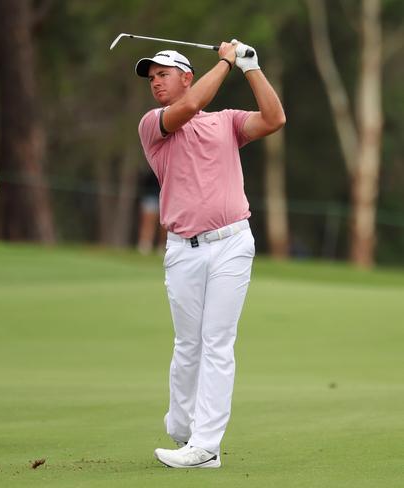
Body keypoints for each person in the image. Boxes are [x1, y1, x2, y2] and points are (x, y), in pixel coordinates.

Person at [135, 41, 285, 468]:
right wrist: (226, 60)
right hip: (183, 249)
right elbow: (191, 104)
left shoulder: (226, 122)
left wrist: (251, 68)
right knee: (188, 345)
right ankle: (184, 428)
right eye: (151, 78)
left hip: (233, 244)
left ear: (186, 76)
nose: (156, 83)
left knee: (217, 343)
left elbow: (275, 118)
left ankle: (206, 447)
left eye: (163, 74)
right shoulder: (154, 125)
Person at [137, 169, 166, 255]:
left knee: (164, 226)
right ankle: (145, 246)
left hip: (166, 199)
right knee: (148, 223)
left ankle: (162, 246)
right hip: (151, 197)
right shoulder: (151, 166)